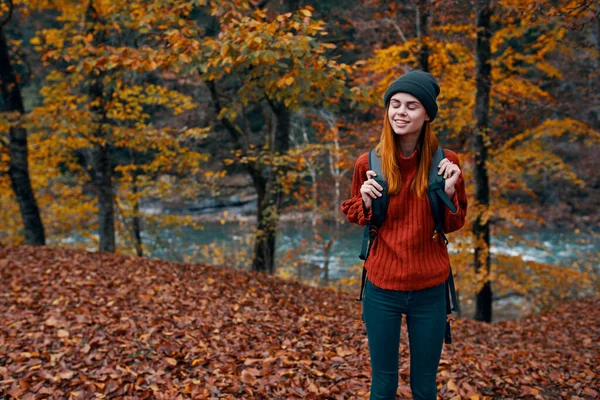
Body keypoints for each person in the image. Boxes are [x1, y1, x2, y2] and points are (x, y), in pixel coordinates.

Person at [340, 70, 468, 400]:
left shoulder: (446, 163)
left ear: (427, 114)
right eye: (394, 104)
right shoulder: (369, 162)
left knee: (424, 384)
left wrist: (450, 193)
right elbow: (354, 213)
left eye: (411, 106)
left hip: (431, 289)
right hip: (381, 288)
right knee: (383, 382)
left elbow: (455, 222)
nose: (400, 112)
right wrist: (365, 200)